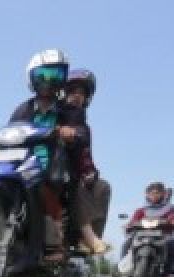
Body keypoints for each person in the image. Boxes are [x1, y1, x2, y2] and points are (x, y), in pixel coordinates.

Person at [0, 49, 88, 267]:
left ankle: (55, 244)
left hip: (52, 162)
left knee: (45, 186)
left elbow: (82, 133)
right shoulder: (23, 109)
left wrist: (71, 132)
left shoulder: (70, 110)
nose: (49, 82)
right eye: (43, 75)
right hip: (21, 161)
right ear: (32, 78)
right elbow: (10, 133)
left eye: (56, 76)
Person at [62, 69, 111, 255]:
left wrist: (91, 172)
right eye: (73, 91)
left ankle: (86, 239)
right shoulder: (55, 110)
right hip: (51, 167)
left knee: (102, 187)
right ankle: (89, 236)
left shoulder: (82, 122)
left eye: (82, 93)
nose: (77, 96)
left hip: (73, 171)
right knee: (74, 184)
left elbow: (84, 155)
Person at [123, 182, 174, 275]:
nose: (154, 195)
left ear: (163, 194)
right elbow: (133, 221)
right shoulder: (141, 210)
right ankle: (124, 267)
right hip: (141, 235)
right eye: (151, 193)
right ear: (147, 194)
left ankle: (170, 267)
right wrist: (128, 225)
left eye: (157, 193)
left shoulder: (170, 209)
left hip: (163, 235)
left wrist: (173, 221)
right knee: (126, 243)